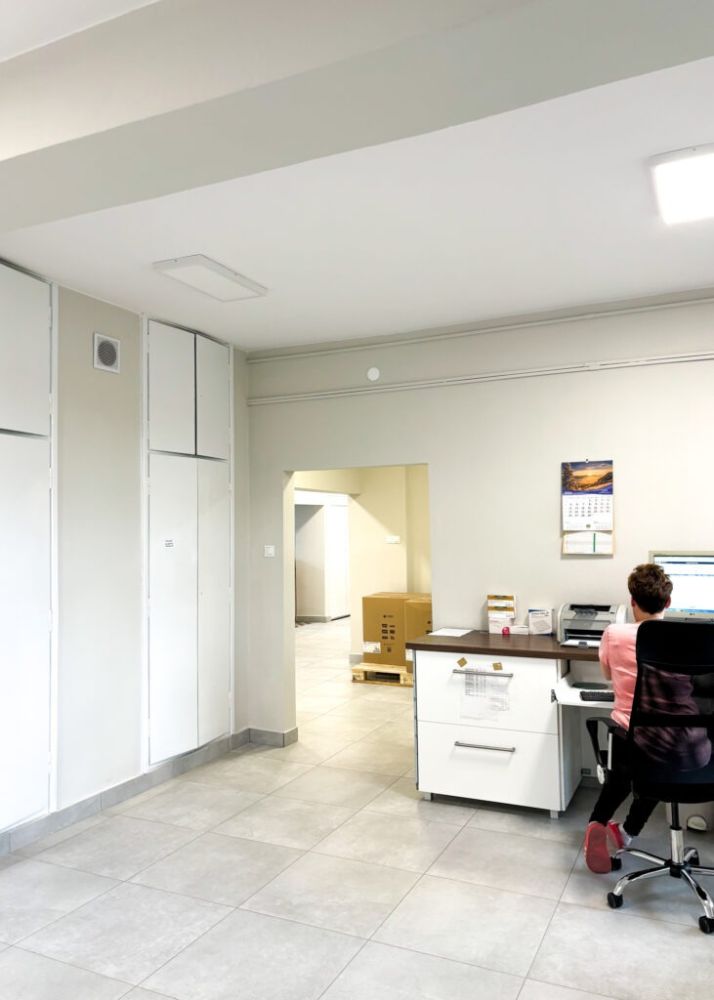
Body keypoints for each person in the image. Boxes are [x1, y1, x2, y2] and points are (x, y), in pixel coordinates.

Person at [583, 563, 672, 873]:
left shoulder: (614, 634)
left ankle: (597, 822)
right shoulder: (686, 638)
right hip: (673, 744)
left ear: (632, 601)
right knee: (660, 778)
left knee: (620, 777)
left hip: (629, 735)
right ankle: (628, 831)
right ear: (668, 602)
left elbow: (608, 675)